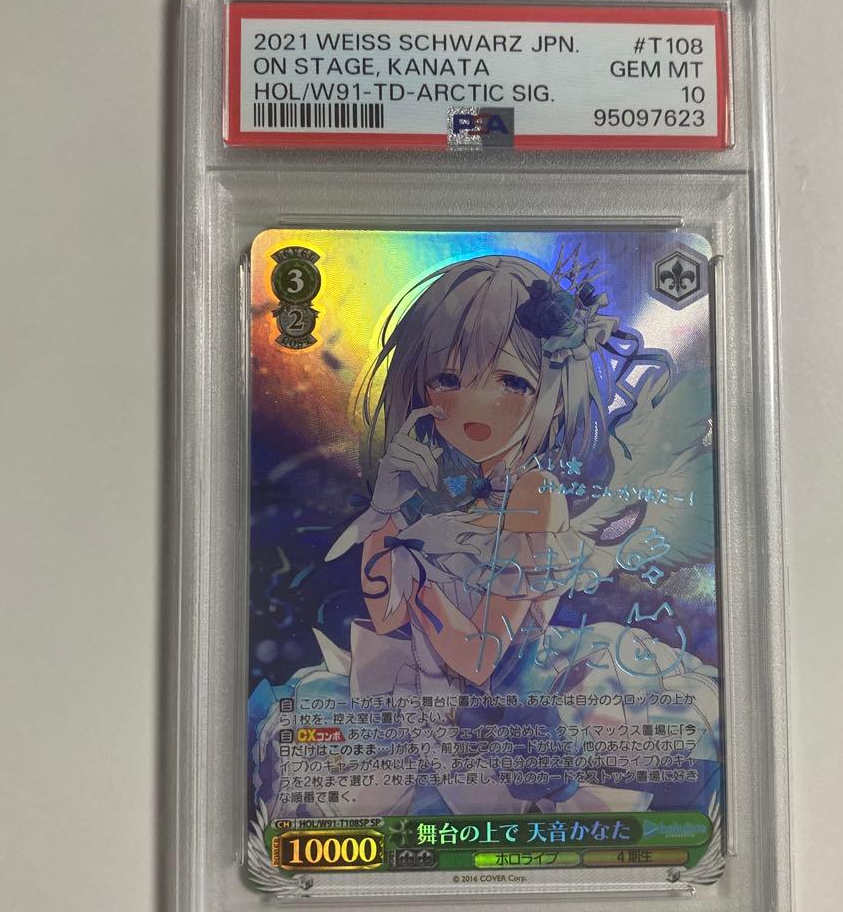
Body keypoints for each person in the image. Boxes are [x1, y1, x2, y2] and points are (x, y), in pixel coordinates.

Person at [254, 252, 720, 819]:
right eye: (448, 379)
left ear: (552, 395)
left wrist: (419, 577)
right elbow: (385, 612)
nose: (475, 405)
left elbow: (479, 658)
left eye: (511, 381)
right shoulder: (442, 487)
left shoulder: (535, 494)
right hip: (425, 708)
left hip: (502, 726)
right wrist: (387, 506)